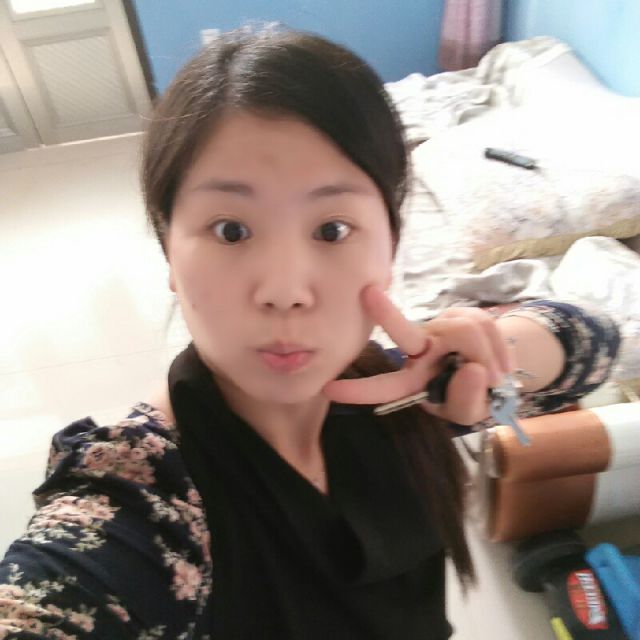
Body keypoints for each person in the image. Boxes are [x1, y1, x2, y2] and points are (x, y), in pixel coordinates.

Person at [0, 25, 620, 640]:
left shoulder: (405, 393)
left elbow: (596, 343)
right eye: (231, 231)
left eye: (332, 230)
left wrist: (490, 354)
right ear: (169, 252)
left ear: (389, 249)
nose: (286, 290)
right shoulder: (144, 492)